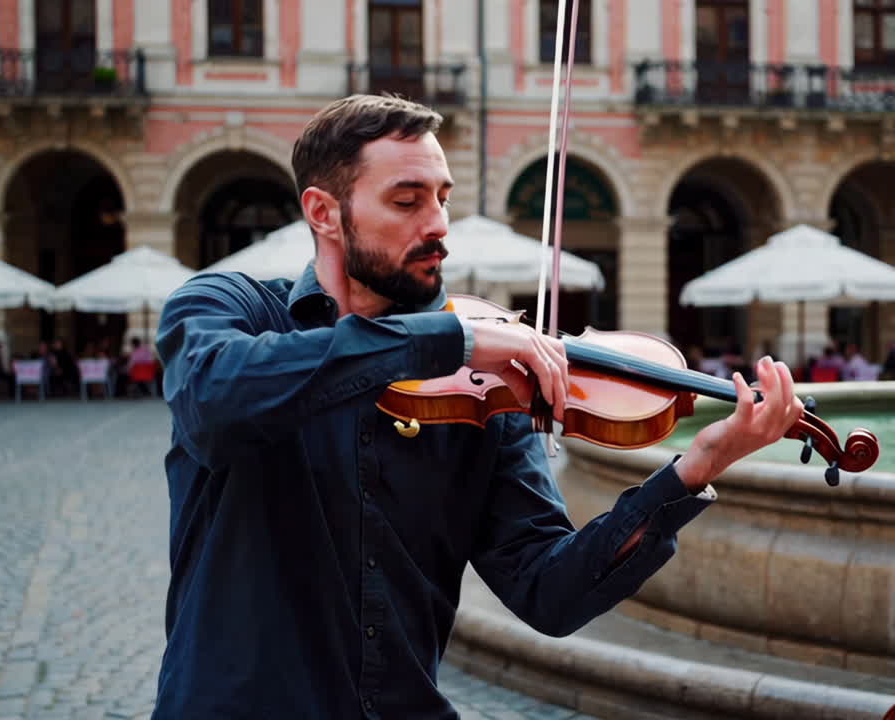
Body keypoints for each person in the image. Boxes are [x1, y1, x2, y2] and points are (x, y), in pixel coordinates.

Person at [150, 94, 803, 719]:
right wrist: (445, 341)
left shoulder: (482, 389)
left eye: (442, 199)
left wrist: (694, 470)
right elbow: (213, 397)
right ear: (324, 212)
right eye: (406, 201)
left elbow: (549, 592)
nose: (436, 224)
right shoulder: (225, 309)